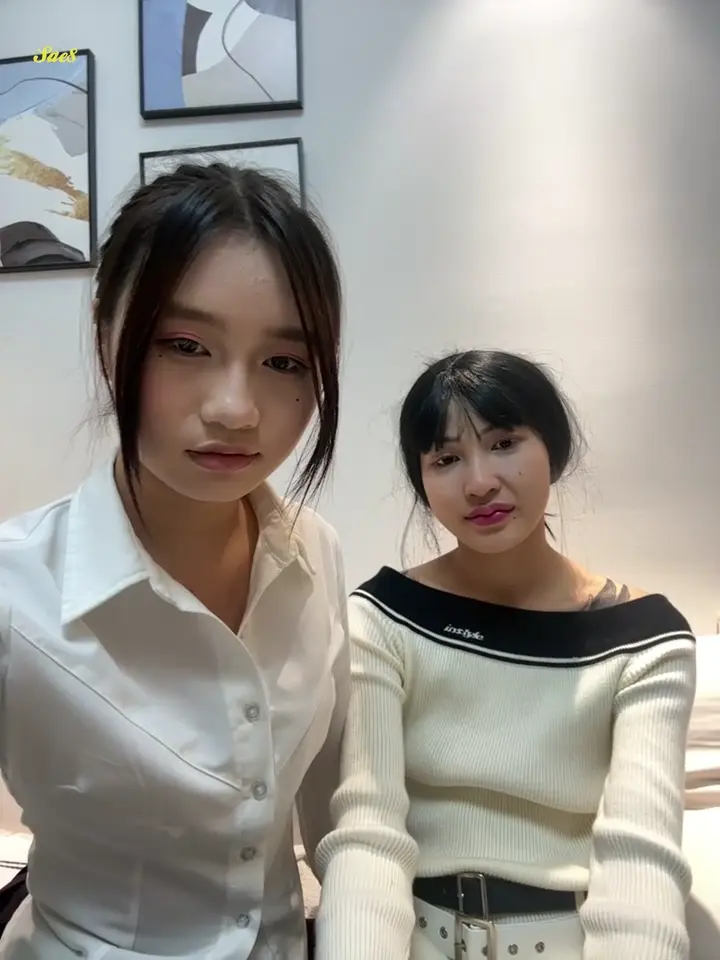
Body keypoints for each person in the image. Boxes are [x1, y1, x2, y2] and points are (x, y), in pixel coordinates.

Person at [0, 163, 348, 959]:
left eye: (285, 362)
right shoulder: (17, 591)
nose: (235, 409)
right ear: (106, 333)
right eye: (185, 346)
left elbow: (343, 819)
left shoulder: (315, 553)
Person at [314, 349, 697, 960]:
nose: (479, 483)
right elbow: (368, 835)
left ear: (554, 449)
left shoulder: (644, 637)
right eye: (445, 459)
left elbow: (640, 860)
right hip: (415, 940)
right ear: (422, 481)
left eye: (503, 443)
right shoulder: (384, 616)